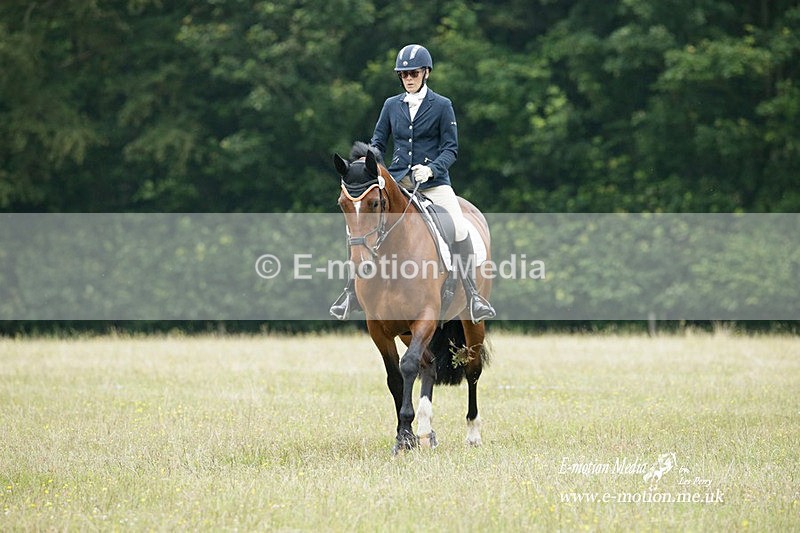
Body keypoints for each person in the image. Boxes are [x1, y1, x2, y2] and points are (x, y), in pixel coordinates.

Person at [330, 43, 495, 323]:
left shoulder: (442, 106)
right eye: (403, 74)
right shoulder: (391, 105)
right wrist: (368, 165)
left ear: (426, 73)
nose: (408, 78)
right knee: (363, 226)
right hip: (397, 182)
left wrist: (430, 170)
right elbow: (378, 143)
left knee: (456, 227)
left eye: (414, 73)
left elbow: (450, 149)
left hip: (434, 183)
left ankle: (473, 295)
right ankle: (350, 293)